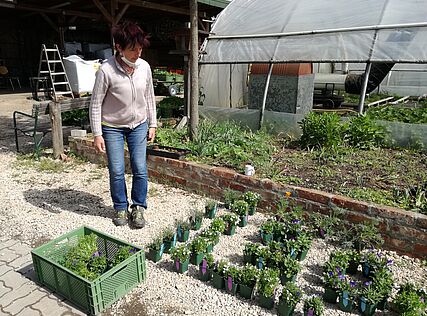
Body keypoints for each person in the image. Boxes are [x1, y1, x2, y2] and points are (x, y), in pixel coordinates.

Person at [89, 21, 157, 228]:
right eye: (132, 49)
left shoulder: (144, 67)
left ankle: (138, 207)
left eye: (140, 48)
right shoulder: (106, 70)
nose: (138, 53)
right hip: (113, 127)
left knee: (140, 167)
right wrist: (97, 133)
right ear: (119, 48)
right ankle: (120, 206)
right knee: (117, 169)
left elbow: (150, 97)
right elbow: (95, 103)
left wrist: (152, 123)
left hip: (139, 125)